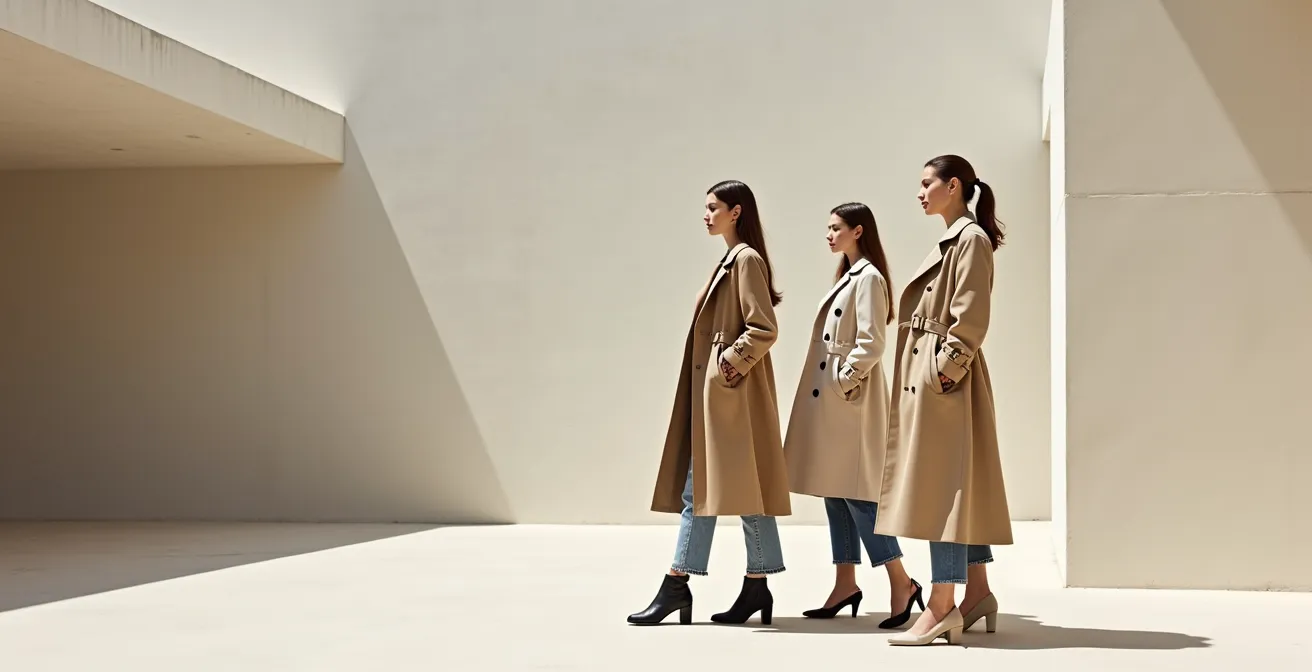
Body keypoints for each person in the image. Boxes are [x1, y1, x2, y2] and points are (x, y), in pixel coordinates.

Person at [627, 179, 792, 626]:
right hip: (725, 399)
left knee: (698, 492)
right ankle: (757, 587)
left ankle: (676, 584)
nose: (706, 214)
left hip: (730, 400)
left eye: (713, 207)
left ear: (735, 212)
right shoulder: (731, 260)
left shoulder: (745, 261)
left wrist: (727, 367)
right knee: (746, 492)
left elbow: (764, 328)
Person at [876, 155, 1014, 646]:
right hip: (939, 382)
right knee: (959, 486)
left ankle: (940, 606)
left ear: (953, 187)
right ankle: (976, 592)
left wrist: (944, 373)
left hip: (946, 385)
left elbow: (970, 317)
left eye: (926, 183)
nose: (920, 192)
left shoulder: (970, 240)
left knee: (943, 494)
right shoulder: (956, 238)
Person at [783, 203, 923, 628]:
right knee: (834, 490)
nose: (828, 235)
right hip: (834, 400)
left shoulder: (869, 278)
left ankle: (901, 581)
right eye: (827, 228)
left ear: (857, 231)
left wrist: (843, 381)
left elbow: (873, 342)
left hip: (849, 402)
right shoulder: (850, 275)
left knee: (860, 496)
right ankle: (846, 582)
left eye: (835, 228)